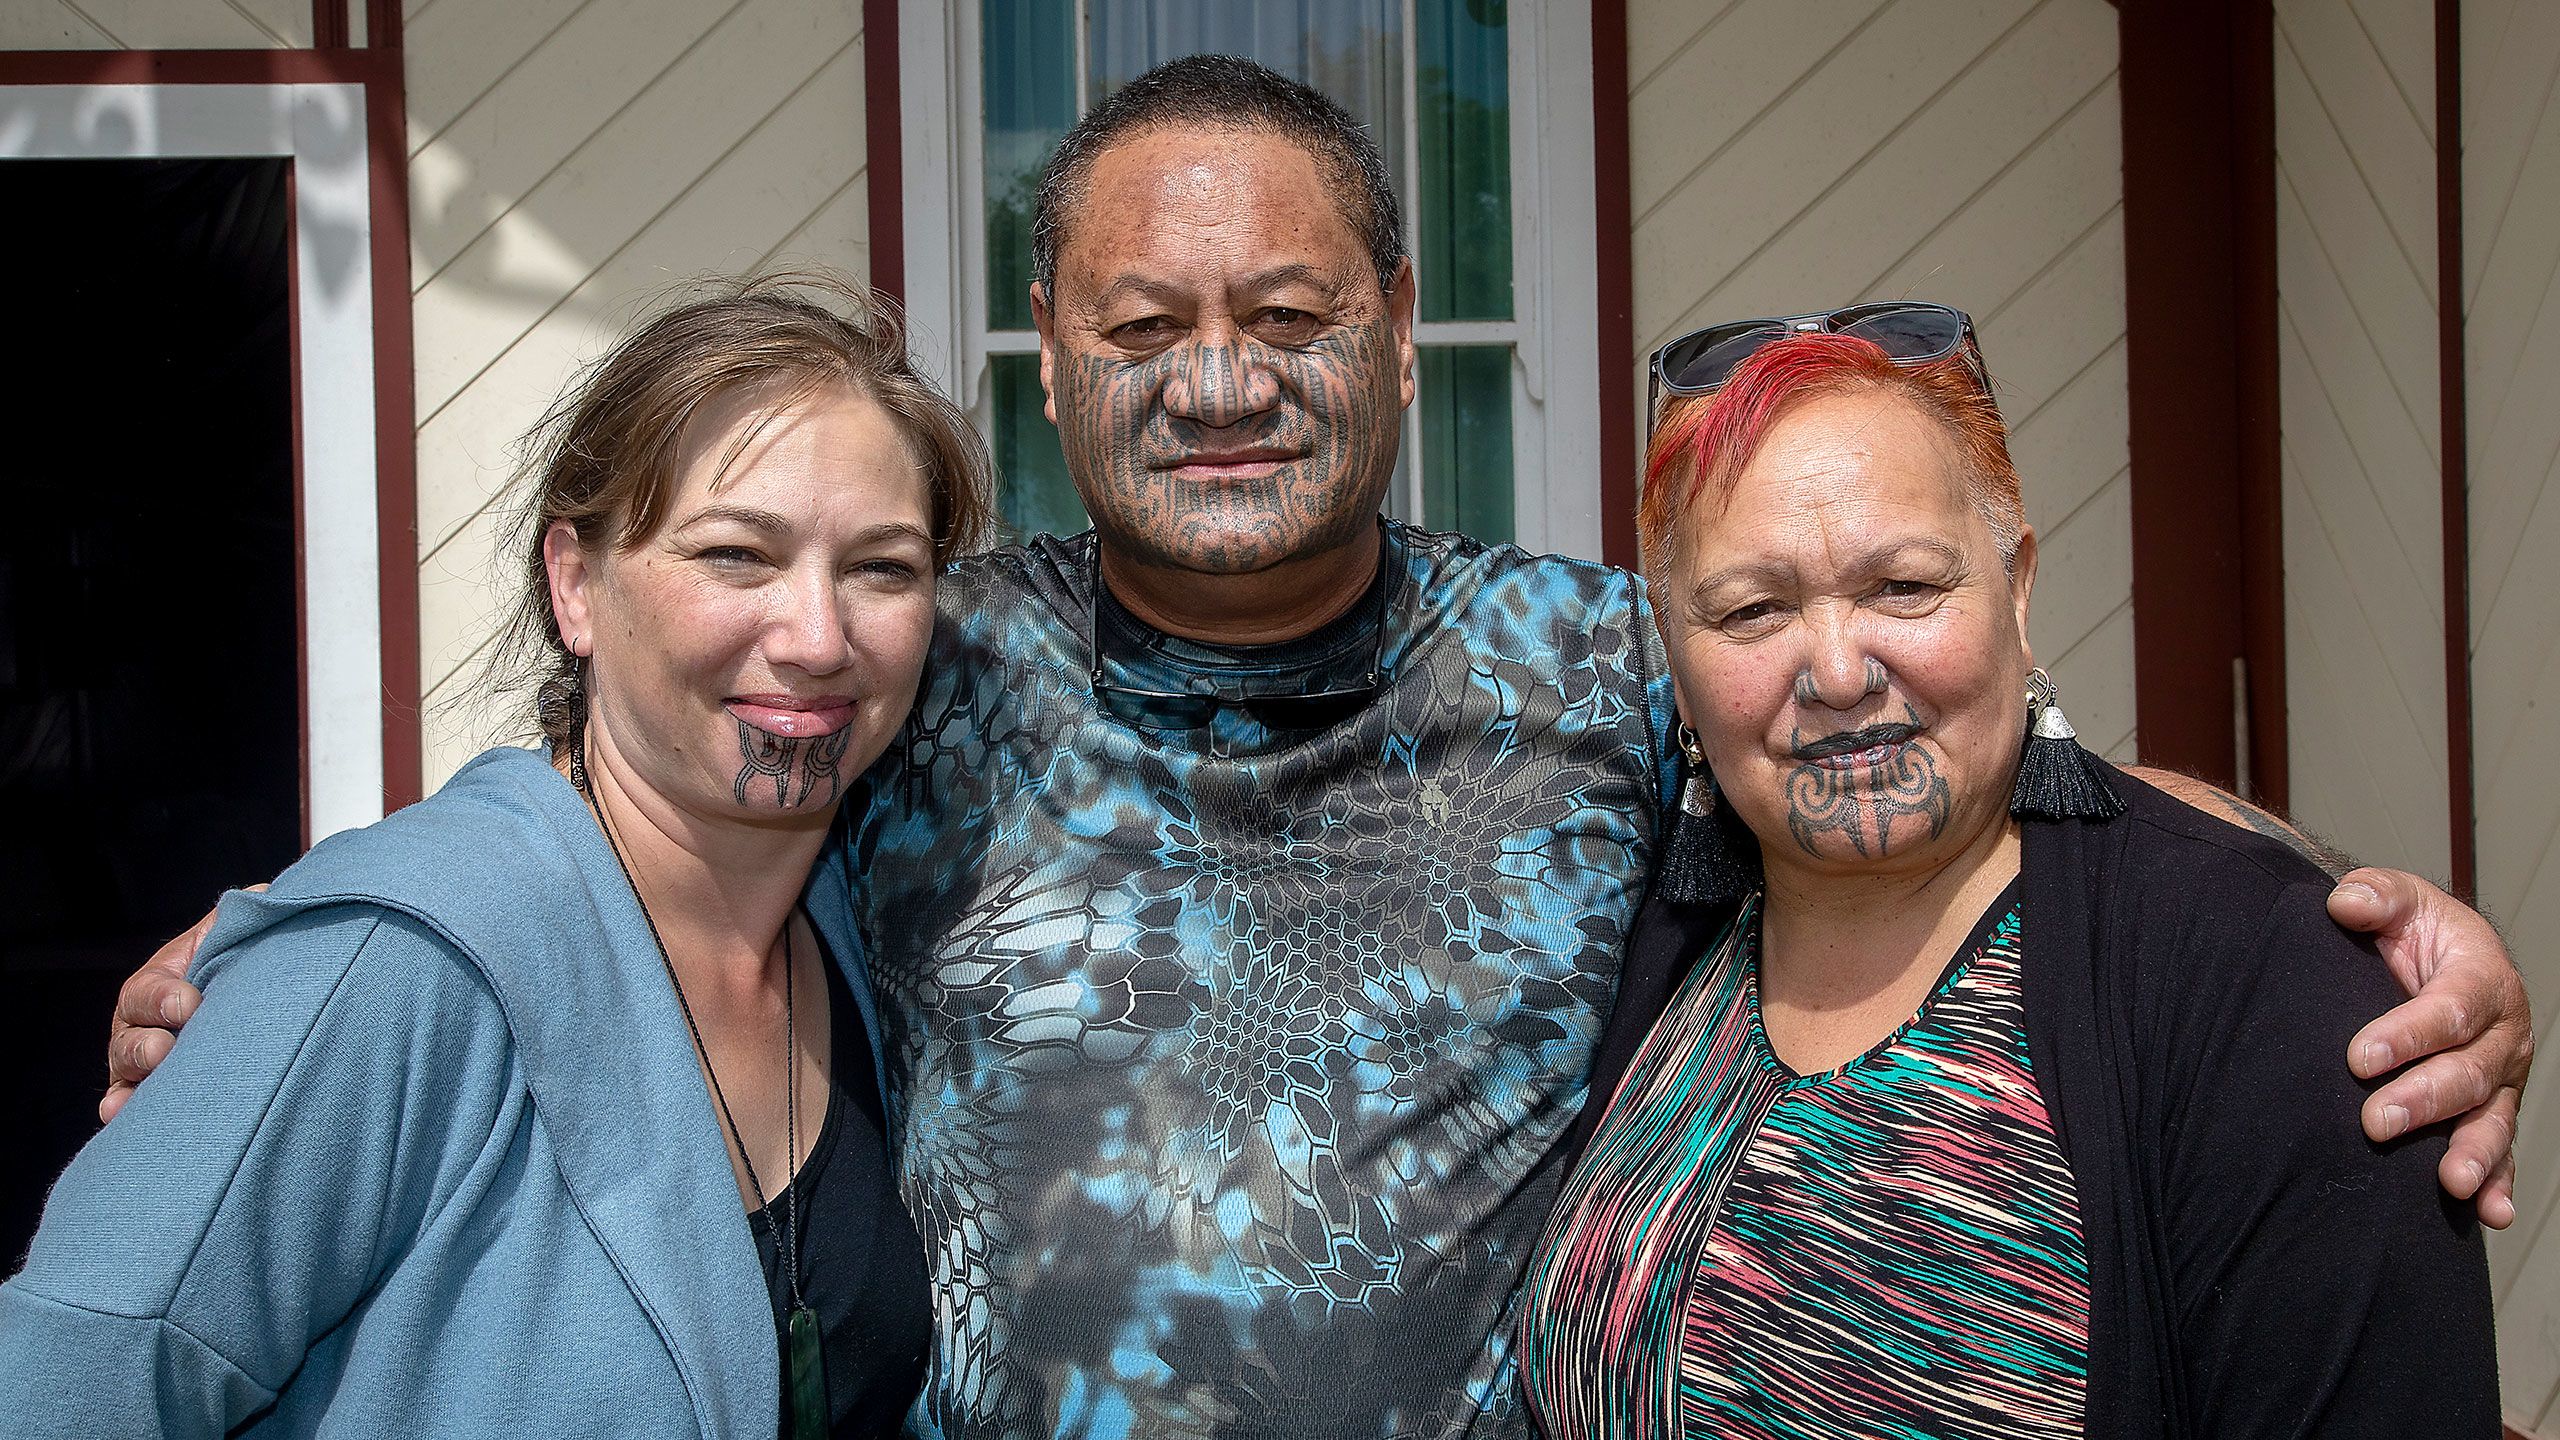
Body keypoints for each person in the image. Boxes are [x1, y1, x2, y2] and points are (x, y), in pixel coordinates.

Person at [99, 58, 2534, 1440]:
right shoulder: (926, 666)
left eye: (1287, 306)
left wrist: (2339, 912)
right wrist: (285, 951)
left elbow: (1925, 761)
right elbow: (644, 806)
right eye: (1141, 315)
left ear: (1390, 323)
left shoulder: (1599, 666)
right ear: (1049, 358)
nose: (1222, 372)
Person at [1, 275, 990, 1437]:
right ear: (576, 584)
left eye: (882, 568)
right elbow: (71, 1382)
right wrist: (308, 967)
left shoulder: (859, 922)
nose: (818, 636)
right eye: (736, 554)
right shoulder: (391, 966)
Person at [1517, 311, 2499, 1438]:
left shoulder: (2262, 991)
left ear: (2016, 590)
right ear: (1675, 663)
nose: (1836, 670)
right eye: (1753, 610)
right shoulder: (1655, 930)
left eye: (1903, 588)